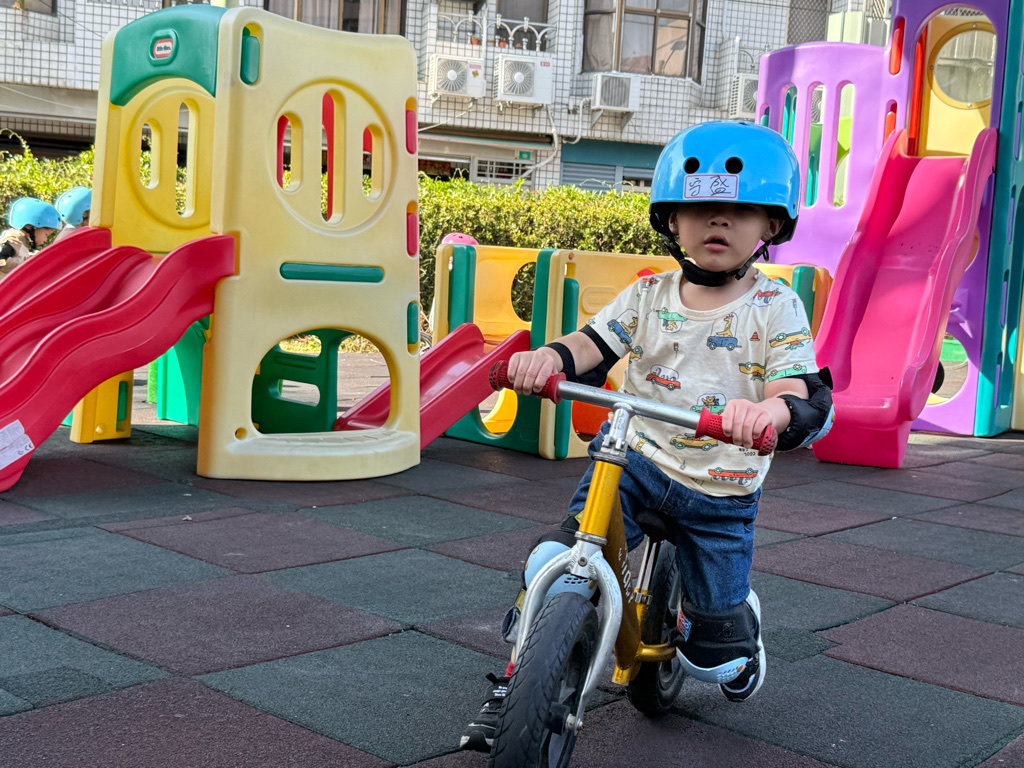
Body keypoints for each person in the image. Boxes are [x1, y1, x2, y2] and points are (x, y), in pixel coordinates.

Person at [460, 120, 834, 753]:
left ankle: (736, 628)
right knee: (552, 560)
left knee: (715, 658)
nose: (719, 221)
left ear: (772, 225)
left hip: (720, 487)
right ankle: (516, 680)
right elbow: (591, 344)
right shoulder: (647, 295)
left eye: (741, 210)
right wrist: (550, 357)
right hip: (635, 460)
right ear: (671, 219)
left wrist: (769, 413)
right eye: (699, 209)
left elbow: (795, 385)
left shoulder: (775, 306)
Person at [0, 197, 60, 280]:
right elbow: (1, 261)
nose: (45, 239)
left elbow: (19, 256)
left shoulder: (22, 242)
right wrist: (20, 265)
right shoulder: (12, 241)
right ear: (30, 227)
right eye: (46, 235)